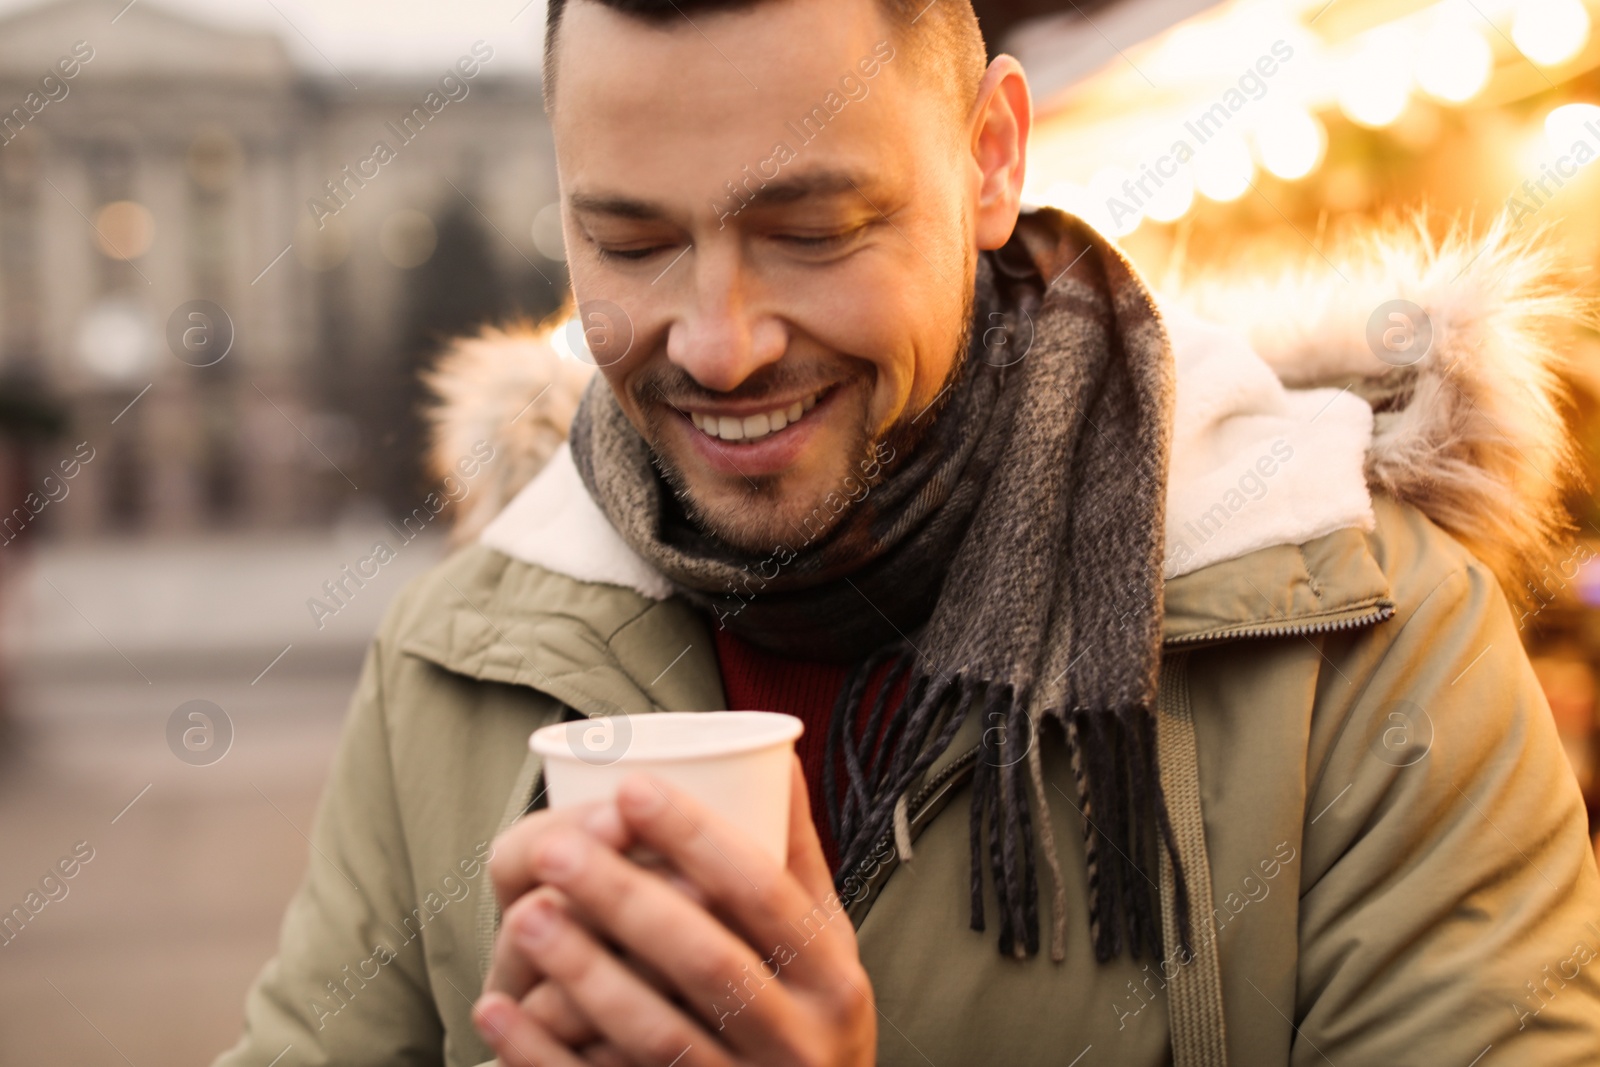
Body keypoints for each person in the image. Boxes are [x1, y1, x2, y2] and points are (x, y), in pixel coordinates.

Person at [213, 0, 1600, 1063]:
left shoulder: (1370, 644)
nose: (720, 343)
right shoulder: (459, 660)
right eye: (630, 244)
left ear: (991, 158)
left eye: (813, 230)